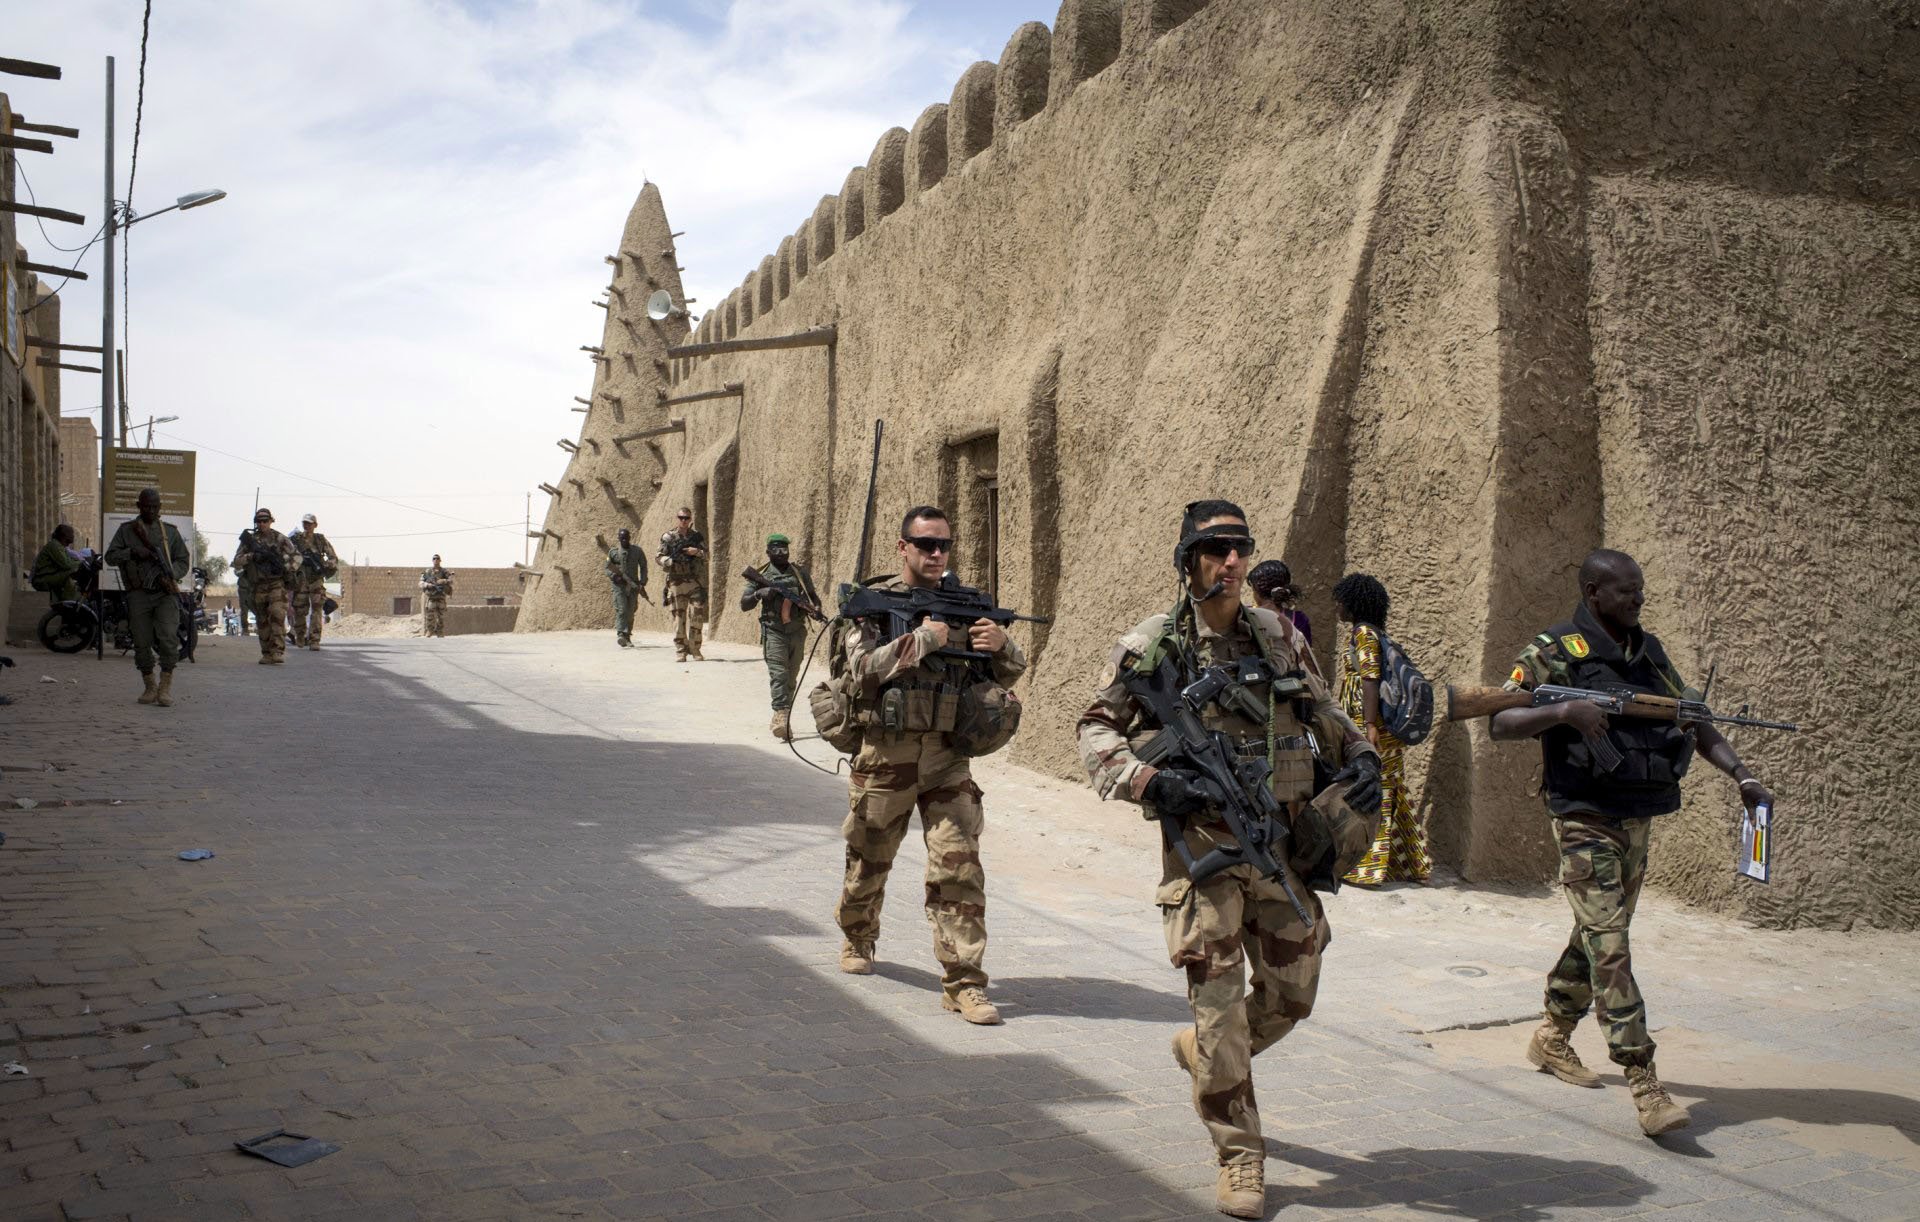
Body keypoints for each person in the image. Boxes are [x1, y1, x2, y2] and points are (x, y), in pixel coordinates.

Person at [1076, 499, 1378, 1219]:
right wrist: (1150, 780)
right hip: (1204, 852)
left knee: (1292, 996)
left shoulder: (1277, 633)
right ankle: (1240, 1154)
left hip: (1279, 842)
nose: (1232, 561)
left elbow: (1322, 708)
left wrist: (1361, 753)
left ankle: (1204, 1053)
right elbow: (1094, 728)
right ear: (1189, 562)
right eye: (1216, 550)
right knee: (1219, 1010)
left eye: (1240, 548)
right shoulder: (1153, 645)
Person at [1492, 547, 1774, 1138]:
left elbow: (1690, 718)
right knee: (1611, 944)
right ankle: (1644, 1080)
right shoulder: (1553, 649)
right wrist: (1565, 711)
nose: (1637, 599)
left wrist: (1742, 776)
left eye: (1640, 589)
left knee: (1597, 934)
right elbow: (1501, 720)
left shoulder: (1649, 653)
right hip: (1582, 816)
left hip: (1637, 818)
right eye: (1626, 591)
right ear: (1594, 592)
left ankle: (1551, 1036)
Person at [834, 506, 1025, 1026]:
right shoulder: (874, 605)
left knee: (958, 867)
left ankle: (965, 982)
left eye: (944, 545)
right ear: (903, 547)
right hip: (886, 754)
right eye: (925, 544)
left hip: (948, 757)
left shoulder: (966, 605)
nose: (936, 554)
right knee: (869, 859)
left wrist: (1003, 646)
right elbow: (860, 668)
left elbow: (1008, 672)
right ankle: (857, 934)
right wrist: (923, 639)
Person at [1331, 572, 1432, 888]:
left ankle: (1367, 868)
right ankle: (1409, 863)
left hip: (1370, 726)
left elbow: (1370, 679)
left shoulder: (1363, 633)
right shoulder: (1376, 632)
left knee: (1372, 788)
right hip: (1378, 726)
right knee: (1391, 787)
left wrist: (1369, 725)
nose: (1337, 607)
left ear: (1353, 604)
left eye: (1340, 602)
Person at [103, 489, 191, 705]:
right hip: (138, 593)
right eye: (146, 506)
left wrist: (171, 573)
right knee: (141, 642)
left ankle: (164, 687)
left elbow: (183, 559)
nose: (151, 510)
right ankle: (150, 685)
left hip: (165, 594)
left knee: (168, 638)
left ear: (160, 507)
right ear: (138, 506)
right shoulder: (127, 531)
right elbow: (110, 557)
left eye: (154, 506)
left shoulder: (169, 532)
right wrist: (132, 552)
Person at [739, 532, 819, 740]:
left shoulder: (799, 574)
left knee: (791, 677)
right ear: (768, 552)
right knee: (779, 674)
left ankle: (783, 716)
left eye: (785, 549)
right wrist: (758, 594)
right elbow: (744, 604)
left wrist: (815, 609)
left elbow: (813, 597)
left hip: (797, 632)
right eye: (776, 549)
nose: (782, 553)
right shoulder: (762, 575)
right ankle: (781, 714)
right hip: (774, 631)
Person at [232, 508, 300, 664]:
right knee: (262, 620)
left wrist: (284, 567)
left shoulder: (280, 538)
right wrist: (252, 556)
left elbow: (297, 557)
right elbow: (237, 560)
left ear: (271, 521)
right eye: (259, 521)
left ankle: (277, 651)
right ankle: (267, 653)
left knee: (277, 614)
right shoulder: (249, 540)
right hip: (258, 585)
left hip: (276, 583)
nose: (262, 524)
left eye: (265, 521)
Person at [1247, 559, 1322, 683]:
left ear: (1257, 591)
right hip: (1293, 685)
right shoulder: (1298, 619)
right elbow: (1306, 657)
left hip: (1256, 684)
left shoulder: (1248, 616)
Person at [657, 507, 708, 661]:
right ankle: (681, 650)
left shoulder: (697, 537)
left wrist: (696, 552)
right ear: (677, 518)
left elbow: (707, 555)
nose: (684, 521)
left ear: (690, 519)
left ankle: (695, 649)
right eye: (681, 518)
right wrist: (668, 561)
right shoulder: (668, 537)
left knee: (697, 615)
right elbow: (658, 557)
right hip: (676, 581)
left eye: (686, 518)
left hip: (695, 581)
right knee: (678, 618)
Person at [289, 513, 339, 651]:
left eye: (309, 523)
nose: (306, 525)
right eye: (304, 523)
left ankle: (314, 640)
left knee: (317, 610)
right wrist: (297, 562)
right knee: (300, 610)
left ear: (315, 525)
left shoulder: (320, 540)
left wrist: (325, 565)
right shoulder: (296, 539)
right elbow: (286, 556)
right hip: (301, 579)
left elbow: (333, 557)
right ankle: (300, 635)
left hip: (316, 579)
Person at [604, 527, 649, 648]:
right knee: (622, 609)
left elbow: (643, 566)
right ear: (619, 538)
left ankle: (627, 636)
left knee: (630, 611)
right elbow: (607, 568)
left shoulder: (637, 551)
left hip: (633, 586)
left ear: (629, 538)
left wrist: (642, 582)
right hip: (619, 586)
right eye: (622, 538)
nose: (624, 540)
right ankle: (621, 634)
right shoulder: (613, 552)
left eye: (626, 538)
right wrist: (614, 576)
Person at [30, 524, 82, 605]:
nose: (73, 536)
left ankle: (72, 599)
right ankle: (71, 603)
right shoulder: (54, 545)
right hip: (41, 580)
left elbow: (70, 561)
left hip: (48, 577)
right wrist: (81, 563)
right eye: (71, 533)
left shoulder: (60, 546)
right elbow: (67, 564)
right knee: (70, 572)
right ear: (64, 535)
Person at [420, 555, 454, 637]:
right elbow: (420, 583)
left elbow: (451, 581)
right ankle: (430, 631)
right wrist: (428, 585)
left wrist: (443, 581)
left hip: (441, 596)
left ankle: (440, 632)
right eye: (434, 558)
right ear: (432, 560)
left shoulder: (444, 571)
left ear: (440, 560)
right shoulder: (427, 571)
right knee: (430, 616)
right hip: (431, 597)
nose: (436, 560)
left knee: (441, 616)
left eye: (437, 558)